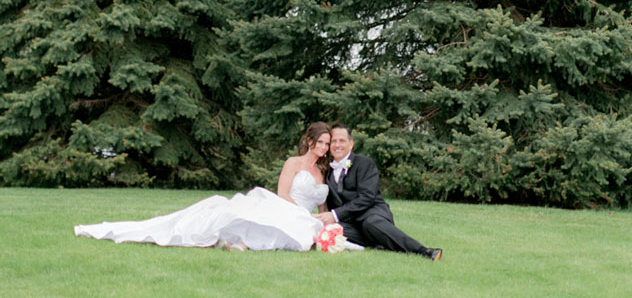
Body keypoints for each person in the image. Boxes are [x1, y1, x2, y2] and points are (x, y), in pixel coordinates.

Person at [74, 122, 333, 251]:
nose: (323, 148)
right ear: (309, 141)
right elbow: (282, 194)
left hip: (308, 217)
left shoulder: (322, 170)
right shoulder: (294, 163)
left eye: (327, 144)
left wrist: (325, 219)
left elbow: (322, 202)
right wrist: (301, 213)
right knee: (243, 215)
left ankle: (241, 243)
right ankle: (234, 239)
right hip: (288, 208)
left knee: (302, 234)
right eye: (320, 142)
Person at [319, 124, 443, 260]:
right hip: (350, 224)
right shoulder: (328, 171)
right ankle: (379, 241)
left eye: (342, 141)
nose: (337, 145)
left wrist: (335, 215)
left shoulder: (365, 163)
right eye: (334, 141)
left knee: (370, 224)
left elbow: (367, 197)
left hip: (372, 215)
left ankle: (424, 251)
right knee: (328, 230)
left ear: (351, 144)